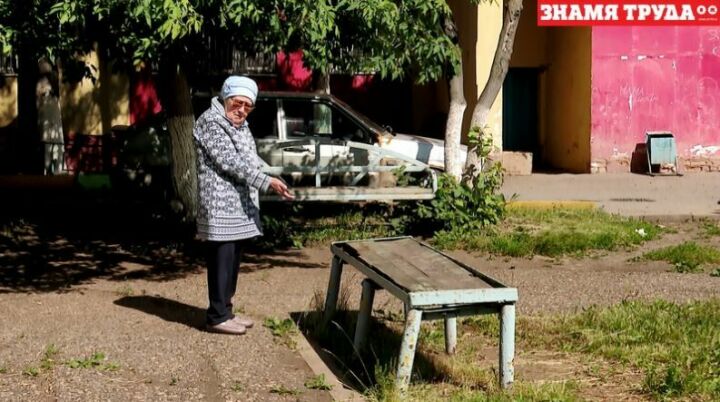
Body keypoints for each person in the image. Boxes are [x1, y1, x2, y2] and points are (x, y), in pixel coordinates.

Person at [193, 76, 294, 335]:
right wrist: (265, 181)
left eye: (248, 106)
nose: (242, 110)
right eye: (238, 103)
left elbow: (249, 158)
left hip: (239, 206)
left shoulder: (239, 124)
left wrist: (272, 175)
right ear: (226, 98)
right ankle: (216, 317)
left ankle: (226, 310)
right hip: (220, 205)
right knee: (221, 260)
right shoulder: (211, 122)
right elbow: (230, 162)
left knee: (233, 259)